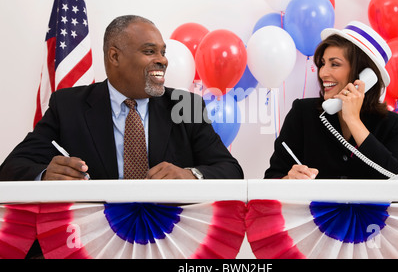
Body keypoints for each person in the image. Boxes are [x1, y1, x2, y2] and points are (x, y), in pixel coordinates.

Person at [0, 15, 243, 181]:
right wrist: (45, 174)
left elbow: (231, 170)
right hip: (91, 242)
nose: (162, 60)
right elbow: (11, 168)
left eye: (162, 52)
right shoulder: (68, 106)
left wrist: (190, 175)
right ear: (114, 57)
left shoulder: (186, 105)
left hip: (166, 238)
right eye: (149, 51)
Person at [265, 21, 398, 180]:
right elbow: (272, 178)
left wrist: (353, 120)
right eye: (322, 64)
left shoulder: (392, 124)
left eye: (334, 64)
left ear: (363, 74)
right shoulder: (302, 113)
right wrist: (287, 180)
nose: (322, 73)